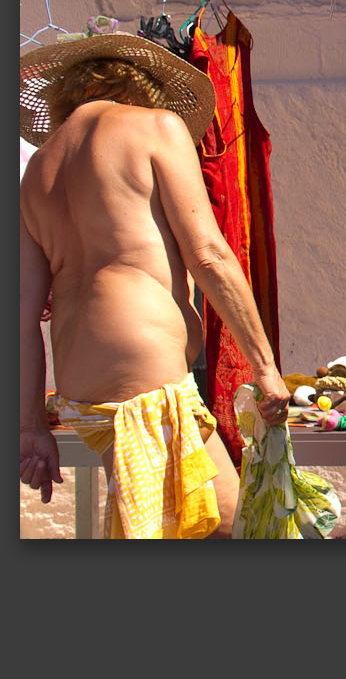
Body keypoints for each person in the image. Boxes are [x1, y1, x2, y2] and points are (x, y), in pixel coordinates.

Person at [19, 33, 291, 538]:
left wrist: (30, 426)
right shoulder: (153, 128)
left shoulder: (37, 170)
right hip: (144, 375)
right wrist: (265, 366)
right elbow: (209, 254)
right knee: (231, 528)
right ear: (141, 88)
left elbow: (18, 320)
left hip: (83, 388)